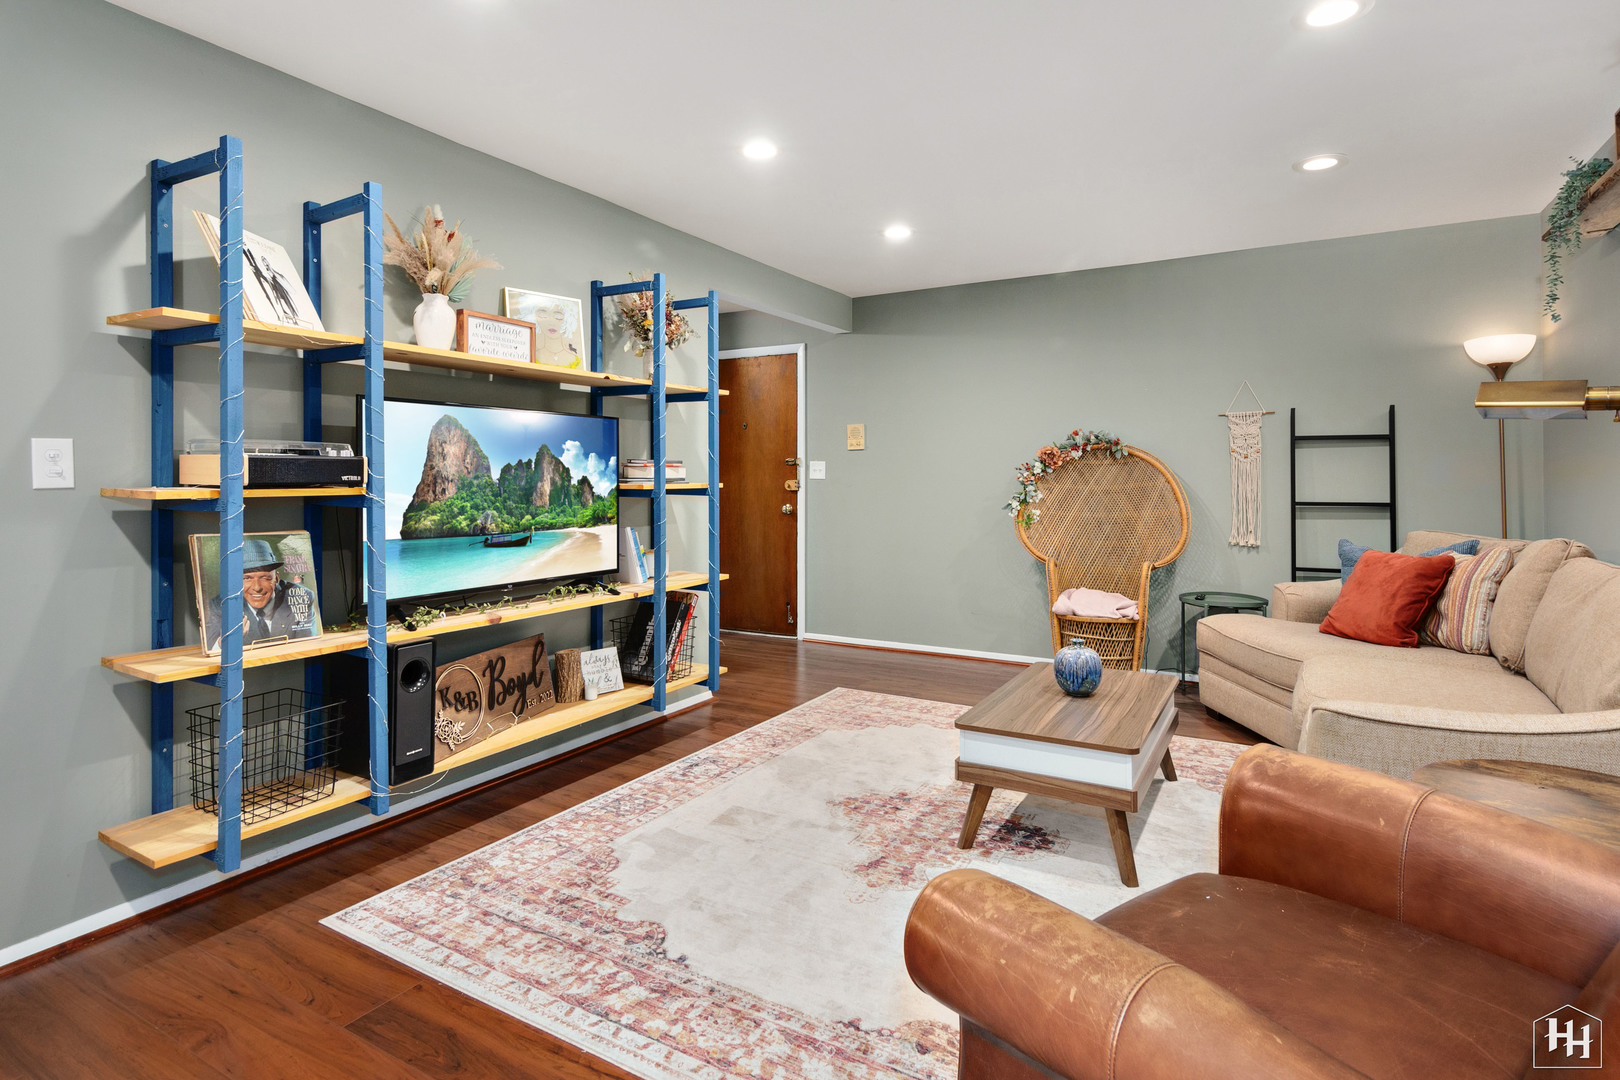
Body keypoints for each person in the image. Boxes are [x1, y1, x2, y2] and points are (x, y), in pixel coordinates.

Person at [205, 538, 320, 651]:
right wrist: (226, 642)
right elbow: (211, 650)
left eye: (265, 578)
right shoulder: (220, 606)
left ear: (276, 579)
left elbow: (307, 647)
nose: (257, 587)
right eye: (247, 578)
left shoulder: (301, 596)